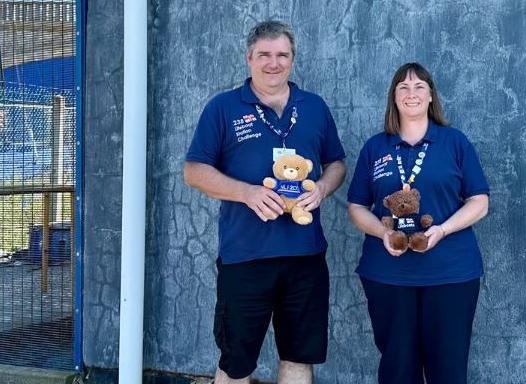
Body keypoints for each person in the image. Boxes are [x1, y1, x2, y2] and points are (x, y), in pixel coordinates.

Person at [184, 20, 346, 384]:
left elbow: (337, 163)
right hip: (245, 258)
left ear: (292, 59)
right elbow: (193, 171)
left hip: (305, 257)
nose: (274, 63)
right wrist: (248, 193)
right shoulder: (223, 108)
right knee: (235, 363)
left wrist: (321, 187)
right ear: (249, 58)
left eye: (282, 55)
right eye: (265, 55)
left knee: (299, 358)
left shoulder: (314, 107)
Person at [347, 62, 489, 384]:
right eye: (403, 88)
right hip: (388, 274)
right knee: (398, 369)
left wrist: (442, 229)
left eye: (419, 87)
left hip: (451, 274)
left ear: (430, 97)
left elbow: (480, 202)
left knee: (448, 371)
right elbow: (356, 206)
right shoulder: (375, 147)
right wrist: (383, 232)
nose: (411, 94)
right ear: (394, 98)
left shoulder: (454, 142)